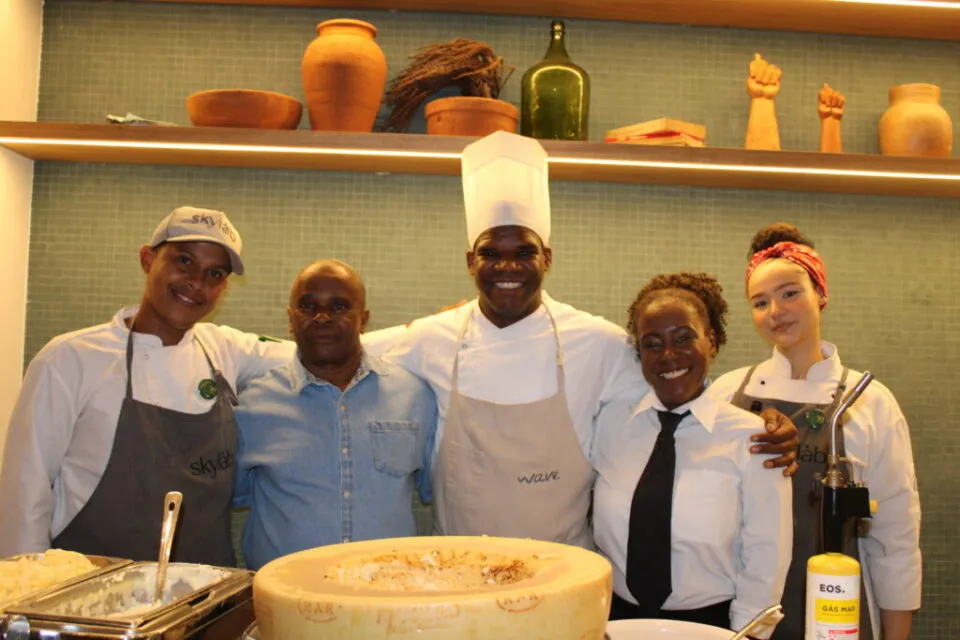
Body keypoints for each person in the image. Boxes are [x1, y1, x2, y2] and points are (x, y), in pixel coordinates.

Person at [364, 130, 799, 547]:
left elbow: (676, 395)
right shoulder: (429, 339)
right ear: (469, 262)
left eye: (524, 253)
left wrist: (753, 428)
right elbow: (336, 354)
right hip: (456, 574)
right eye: (490, 254)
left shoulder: (600, 343)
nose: (507, 267)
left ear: (547, 258)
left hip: (564, 571)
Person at [0, 206, 293, 565]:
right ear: (147, 258)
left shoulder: (223, 350)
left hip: (202, 597)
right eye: (183, 261)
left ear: (223, 287)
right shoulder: (69, 358)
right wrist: (25, 597)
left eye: (214, 273)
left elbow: (319, 352)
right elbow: (25, 490)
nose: (196, 283)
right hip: (87, 601)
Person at [708, 223, 921, 640]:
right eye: (760, 301)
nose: (776, 311)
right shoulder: (727, 393)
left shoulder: (870, 402)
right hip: (739, 613)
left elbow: (896, 539)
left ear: (821, 294)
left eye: (790, 293)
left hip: (838, 614)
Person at [593, 273, 792, 636]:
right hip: (614, 621)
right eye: (652, 344)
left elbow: (766, 560)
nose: (668, 355)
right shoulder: (609, 424)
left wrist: (746, 635)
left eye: (683, 338)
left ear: (711, 342)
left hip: (713, 626)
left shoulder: (754, 440)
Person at [233, 260, 437, 570]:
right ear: (290, 319)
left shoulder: (414, 396)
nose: (323, 317)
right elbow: (232, 494)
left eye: (340, 306)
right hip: (287, 600)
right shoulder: (252, 404)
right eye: (308, 306)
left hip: (386, 597)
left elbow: (431, 485)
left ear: (363, 319)